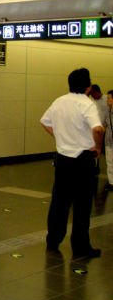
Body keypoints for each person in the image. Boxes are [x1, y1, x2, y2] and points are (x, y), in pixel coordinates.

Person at [40, 68, 104, 258]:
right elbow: (98, 130)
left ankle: (53, 239)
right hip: (83, 160)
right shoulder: (87, 104)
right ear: (88, 86)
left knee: (59, 202)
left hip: (62, 160)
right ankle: (80, 246)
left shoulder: (59, 101)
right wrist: (98, 148)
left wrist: (59, 137)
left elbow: (44, 121)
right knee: (82, 206)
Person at [104, 90, 113, 191]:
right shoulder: (107, 111)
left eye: (109, 98)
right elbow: (104, 124)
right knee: (109, 162)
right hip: (109, 140)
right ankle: (111, 182)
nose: (107, 100)